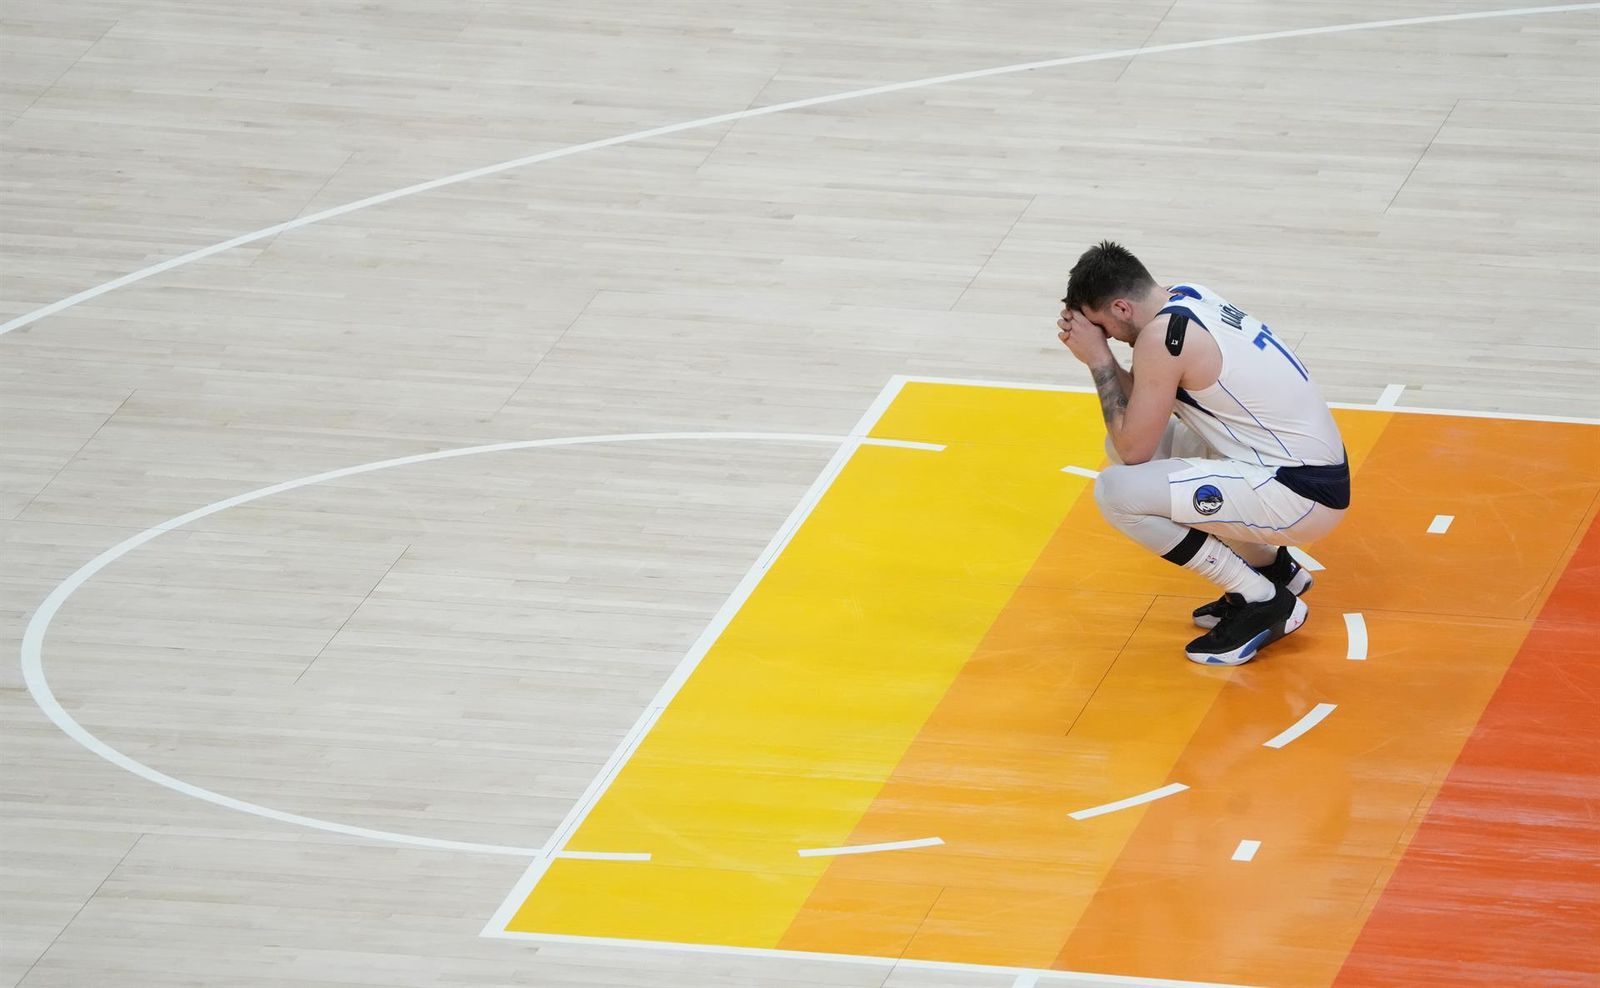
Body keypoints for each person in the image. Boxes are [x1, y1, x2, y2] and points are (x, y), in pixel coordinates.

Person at [1055, 241, 1350, 665]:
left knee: (1117, 491)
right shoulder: (1188, 297)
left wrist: (1098, 360)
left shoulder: (1161, 340)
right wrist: (1102, 353)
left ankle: (1261, 600)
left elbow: (1133, 450)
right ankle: (1274, 570)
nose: (1110, 338)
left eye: (1105, 327)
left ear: (1121, 308)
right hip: (1295, 468)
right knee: (1138, 450)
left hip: (1299, 493)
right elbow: (1140, 415)